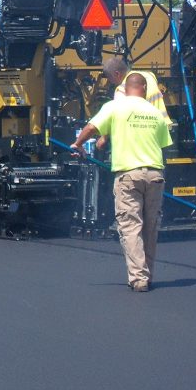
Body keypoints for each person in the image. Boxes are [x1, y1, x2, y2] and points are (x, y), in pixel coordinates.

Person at [72, 73, 173, 292]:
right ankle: (148, 274)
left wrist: (78, 144)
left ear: (125, 89)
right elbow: (164, 144)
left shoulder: (114, 107)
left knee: (130, 225)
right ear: (144, 89)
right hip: (155, 174)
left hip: (128, 174)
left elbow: (91, 127)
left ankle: (138, 278)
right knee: (150, 226)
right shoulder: (155, 113)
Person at [101, 57, 171, 129]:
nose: (110, 82)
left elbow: (119, 117)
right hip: (164, 125)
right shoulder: (150, 75)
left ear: (117, 74)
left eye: (109, 78)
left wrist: (104, 137)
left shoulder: (122, 89)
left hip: (148, 129)